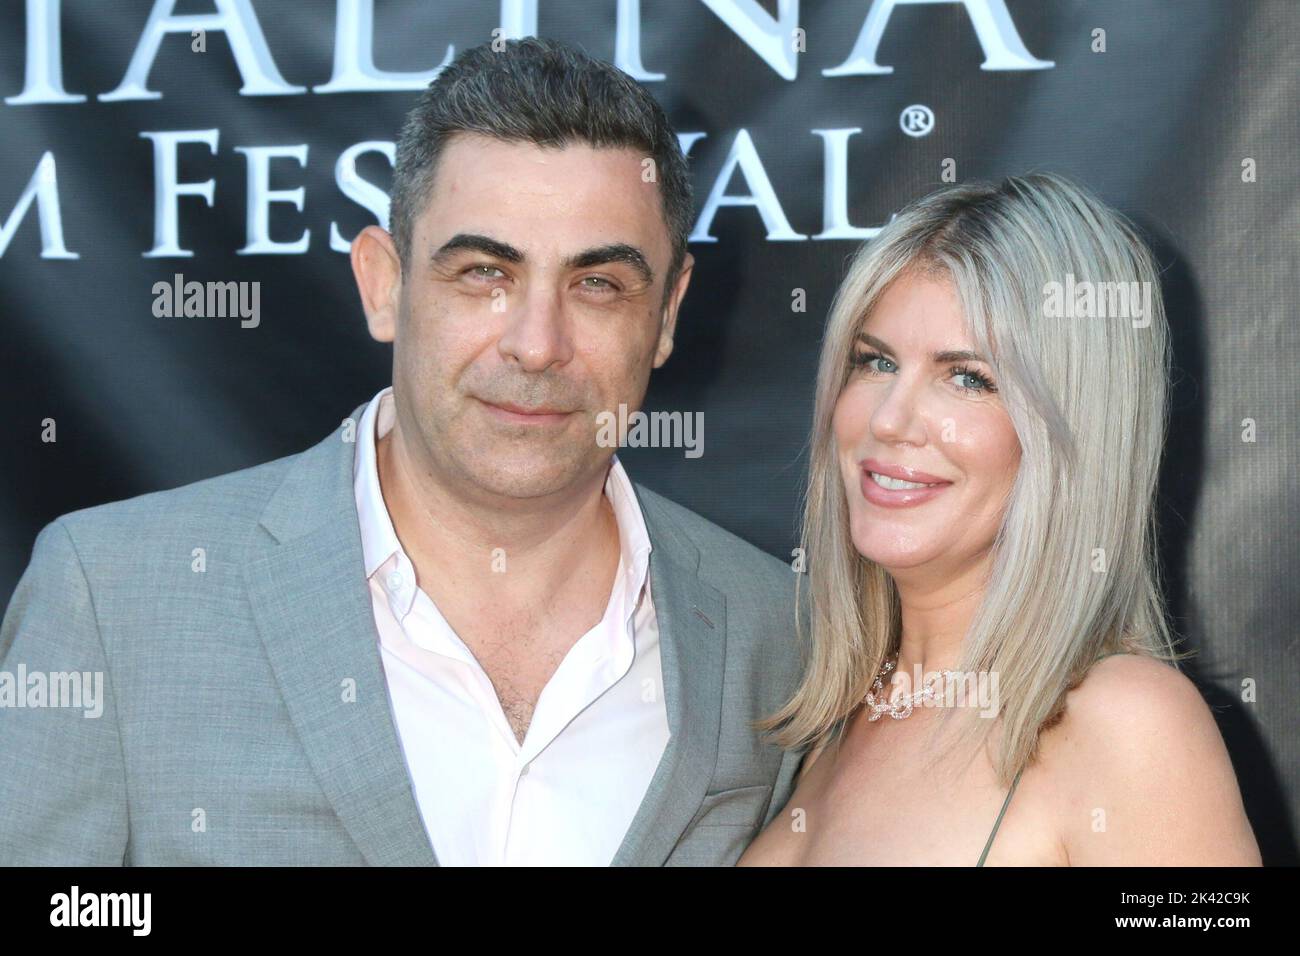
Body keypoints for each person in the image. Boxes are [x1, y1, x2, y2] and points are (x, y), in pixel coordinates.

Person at [0, 37, 803, 866]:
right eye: (484, 273)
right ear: (384, 285)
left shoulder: (774, 634)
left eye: (597, 284)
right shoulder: (115, 598)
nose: (536, 345)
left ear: (667, 313)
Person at [739, 173, 1261, 866]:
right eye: (875, 362)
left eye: (968, 379)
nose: (890, 420)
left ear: (1071, 431)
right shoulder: (829, 715)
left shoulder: (1128, 724)